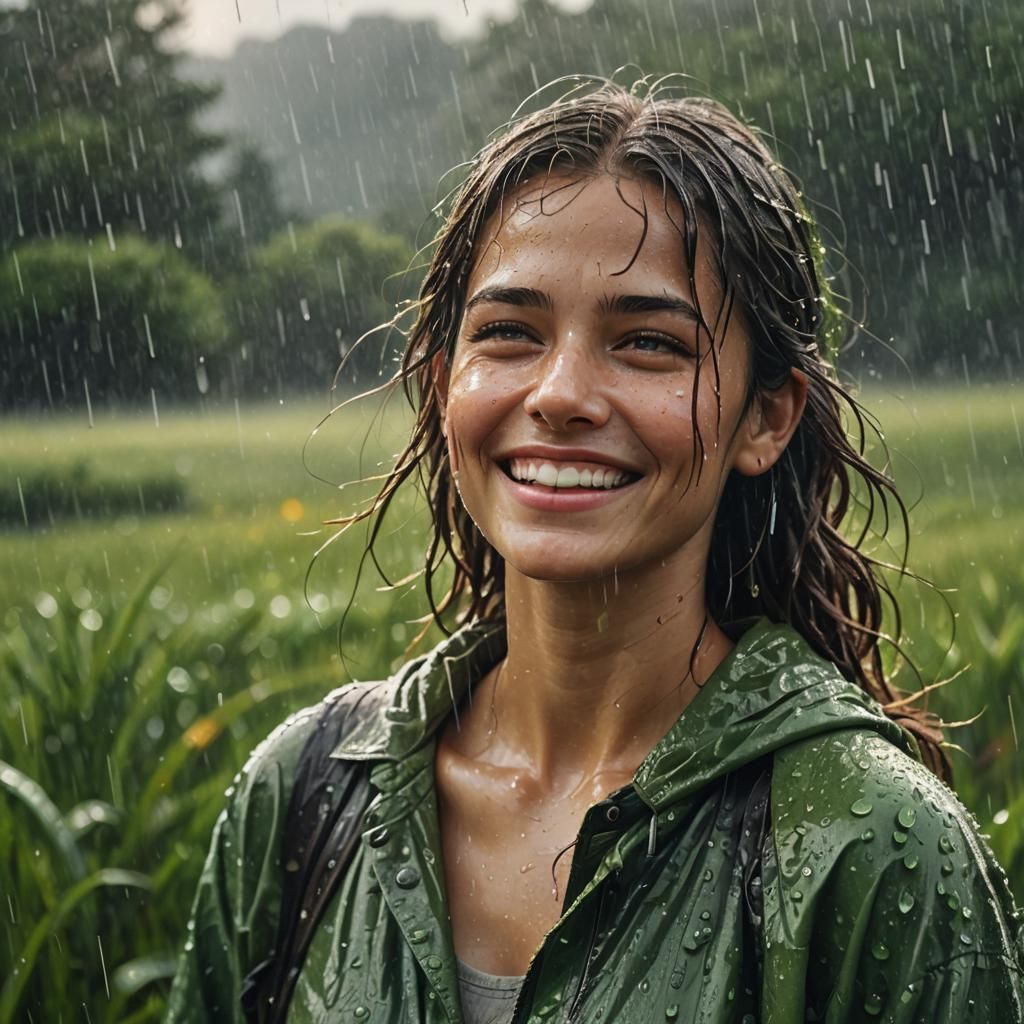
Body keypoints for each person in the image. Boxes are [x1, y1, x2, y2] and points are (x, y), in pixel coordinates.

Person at [166, 80, 1024, 1023]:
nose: (561, 392)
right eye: (509, 333)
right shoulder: (304, 797)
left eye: (649, 342)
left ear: (766, 416)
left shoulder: (872, 850)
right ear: (445, 382)